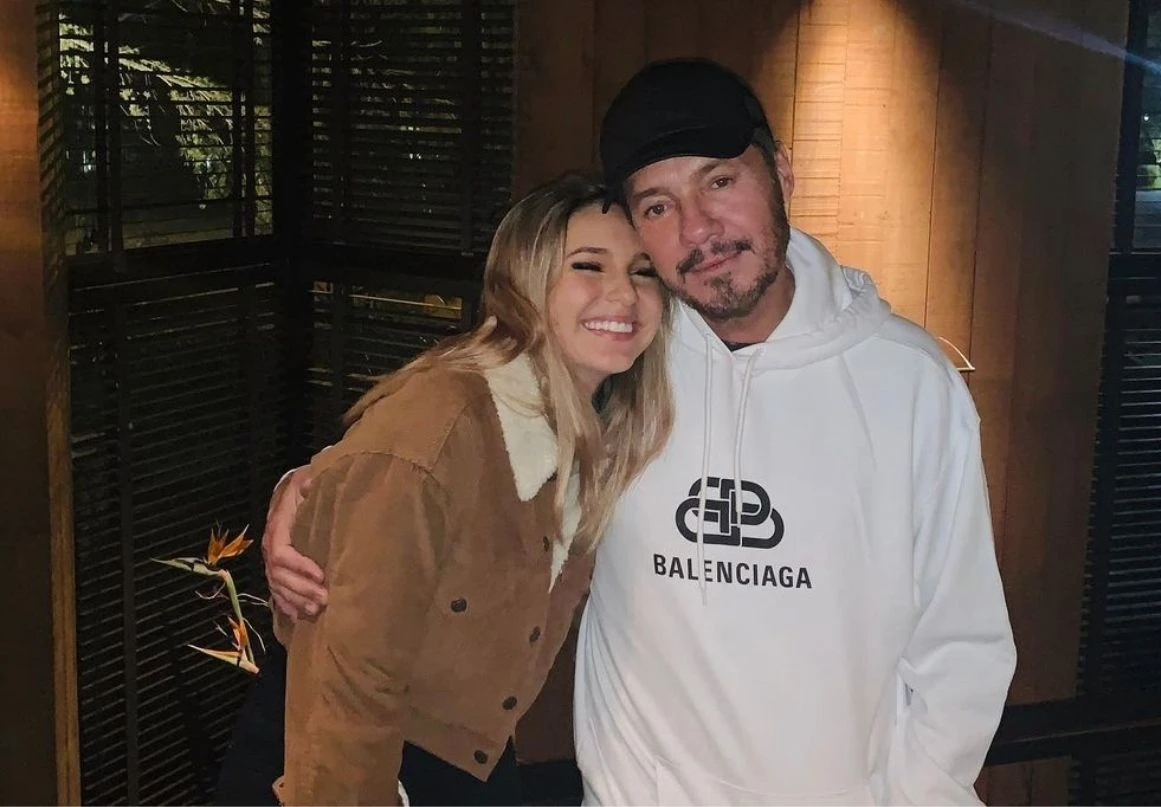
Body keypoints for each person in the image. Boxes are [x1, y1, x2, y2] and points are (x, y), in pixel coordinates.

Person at [265, 59, 1017, 805]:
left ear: (783, 175)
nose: (698, 228)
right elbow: (449, 432)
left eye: (719, 181)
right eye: (658, 205)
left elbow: (960, 647)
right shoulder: (626, 355)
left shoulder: (908, 382)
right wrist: (312, 486)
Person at [217, 171, 674, 806]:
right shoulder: (441, 424)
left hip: (475, 756)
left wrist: (308, 479)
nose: (623, 294)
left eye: (644, 271)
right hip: (348, 756)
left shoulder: (608, 426)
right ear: (525, 281)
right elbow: (351, 677)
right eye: (588, 266)